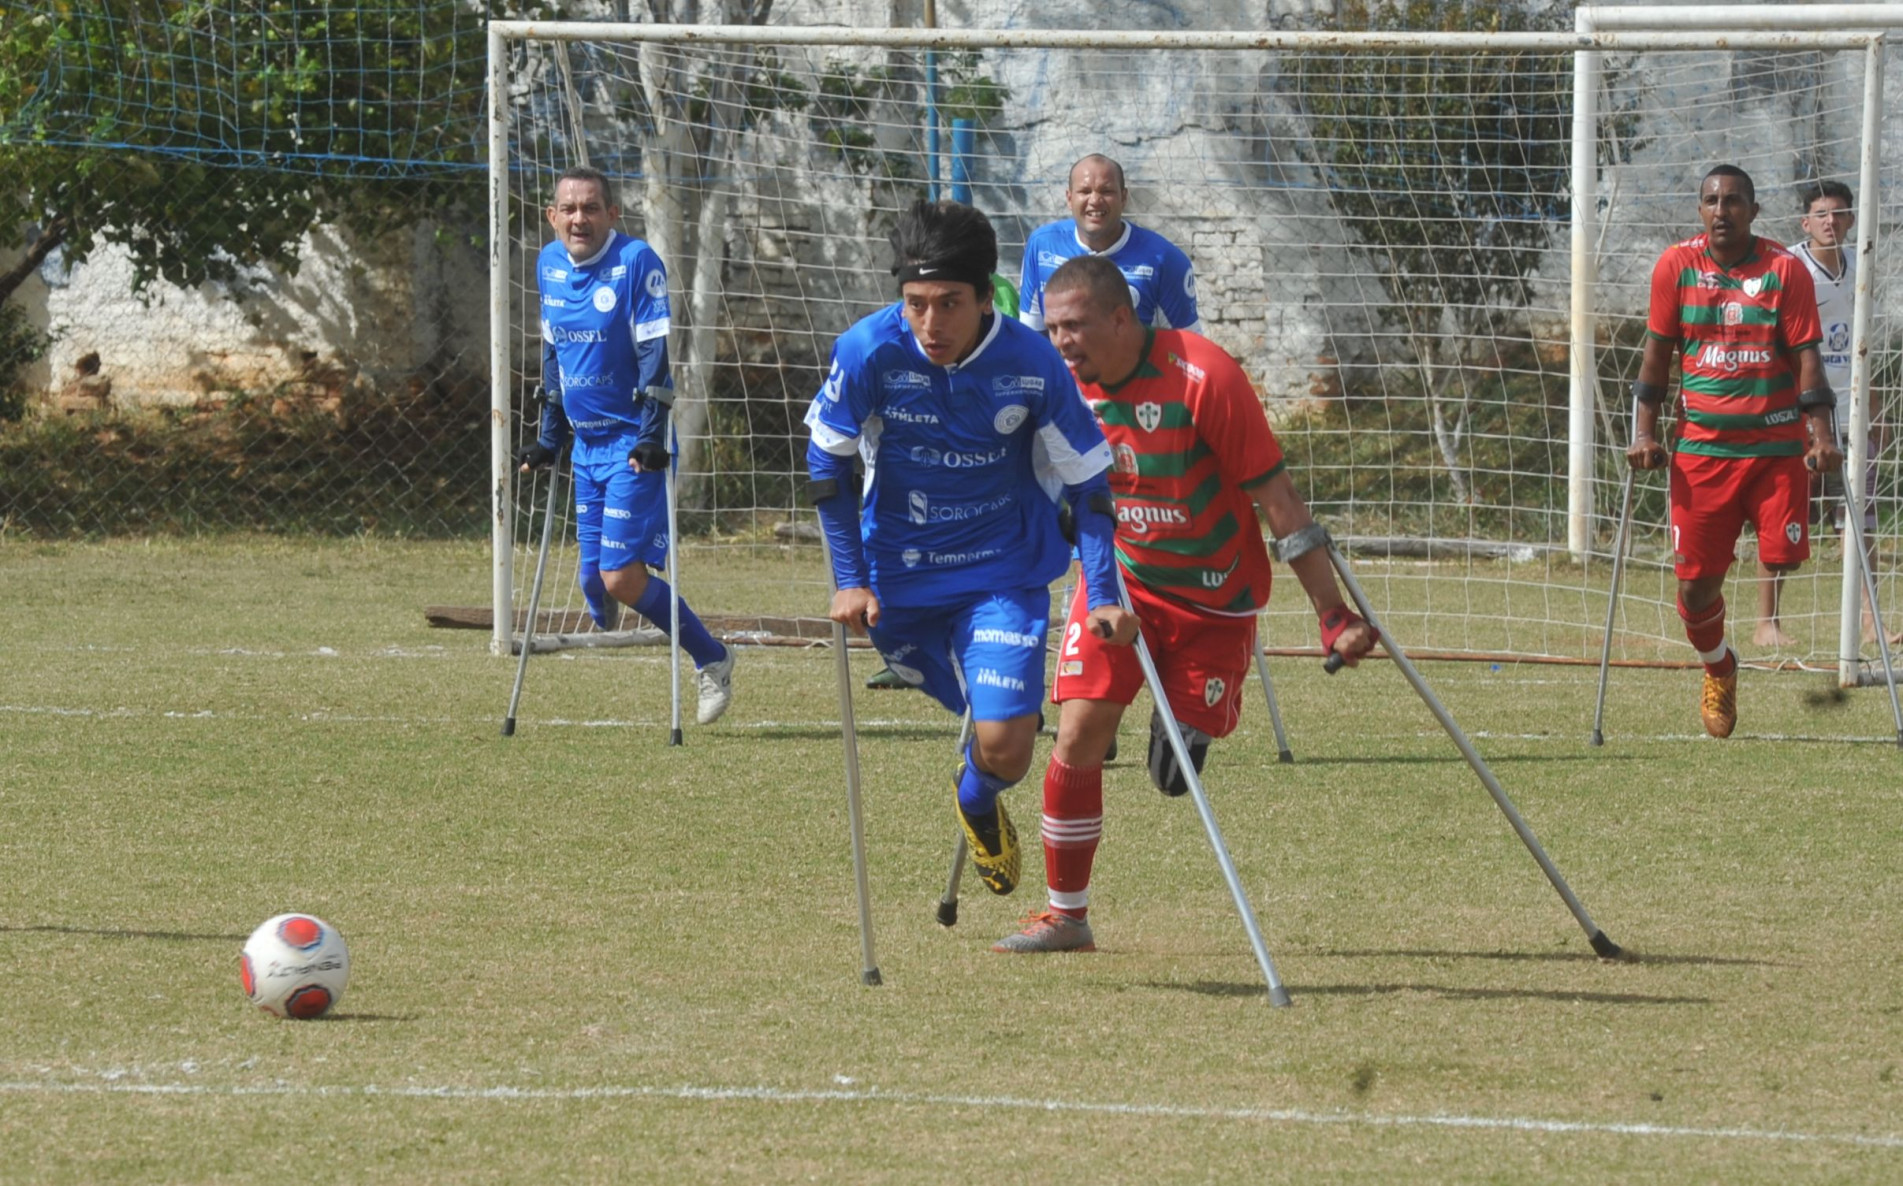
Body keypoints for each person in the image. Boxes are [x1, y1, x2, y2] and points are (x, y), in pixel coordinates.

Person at [991, 255, 1378, 954]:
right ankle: (1065, 916)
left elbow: (1279, 501)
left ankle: (1184, 725)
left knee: (1174, 780)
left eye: (1074, 327)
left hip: (1214, 597)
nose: (1062, 344)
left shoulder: (1205, 377)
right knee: (1077, 734)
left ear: (1119, 317)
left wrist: (1333, 615)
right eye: (1051, 330)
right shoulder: (1057, 387)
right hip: (1118, 584)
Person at [805, 199, 1123, 898]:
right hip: (898, 582)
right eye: (915, 303)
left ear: (986, 297)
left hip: (1000, 574)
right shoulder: (867, 350)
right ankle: (980, 758)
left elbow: (1091, 483)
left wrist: (1101, 592)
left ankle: (977, 799)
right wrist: (850, 579)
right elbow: (825, 464)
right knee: (988, 719)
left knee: (1009, 741)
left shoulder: (1032, 361)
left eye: (949, 303)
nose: (929, 325)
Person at [515, 166, 736, 725]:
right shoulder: (548, 265)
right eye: (568, 208)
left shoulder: (636, 263)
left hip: (634, 445)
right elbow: (554, 355)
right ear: (552, 216)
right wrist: (549, 436)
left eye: (590, 207)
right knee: (592, 581)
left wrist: (650, 433)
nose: (578, 218)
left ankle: (713, 658)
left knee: (620, 576)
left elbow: (654, 355)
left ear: (613, 214)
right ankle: (627, 600)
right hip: (586, 445)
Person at [1628, 164, 1840, 739]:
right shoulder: (1676, 267)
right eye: (1711, 201)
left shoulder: (1783, 269)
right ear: (1700, 210)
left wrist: (1822, 435)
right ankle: (1720, 666)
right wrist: (1644, 431)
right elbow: (1655, 360)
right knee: (1695, 589)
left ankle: (1749, 580)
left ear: (1753, 209)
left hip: (1775, 450)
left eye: (1734, 201)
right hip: (1703, 453)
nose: (1722, 211)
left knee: (1784, 560)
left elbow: (1807, 360)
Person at [1757, 180, 1899, 648]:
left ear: (1850, 221)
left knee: (1859, 518)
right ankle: (1767, 623)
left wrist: (1874, 404)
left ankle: (1868, 623)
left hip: (1851, 412)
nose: (1829, 222)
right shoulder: (1789, 266)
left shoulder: (1861, 267)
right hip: (1800, 413)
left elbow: (1861, 347)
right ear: (1805, 222)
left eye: (1838, 214)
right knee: (1783, 515)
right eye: (1820, 214)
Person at [1018, 154, 1200, 336]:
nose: (1095, 200)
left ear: (1123, 197)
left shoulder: (1166, 260)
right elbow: (1030, 337)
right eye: (1085, 191)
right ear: (1069, 198)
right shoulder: (1042, 245)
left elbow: (1189, 348)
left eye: (1106, 191)